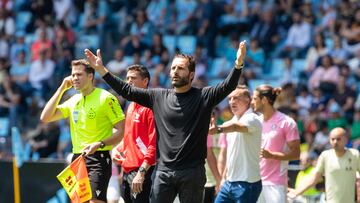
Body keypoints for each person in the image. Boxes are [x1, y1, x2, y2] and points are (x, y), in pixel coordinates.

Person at [84, 40, 246, 203]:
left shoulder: (203, 96)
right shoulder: (158, 96)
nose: (175, 71)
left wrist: (238, 65)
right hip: (163, 172)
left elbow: (228, 86)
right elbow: (126, 91)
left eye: (180, 68)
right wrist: (101, 70)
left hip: (192, 173)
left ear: (191, 75)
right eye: (173, 68)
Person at [40, 59, 125, 203]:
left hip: (99, 158)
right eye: (73, 75)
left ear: (90, 76)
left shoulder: (106, 98)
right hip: (77, 160)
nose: (74, 78)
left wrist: (100, 144)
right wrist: (61, 88)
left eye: (79, 74)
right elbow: (45, 117)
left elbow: (121, 131)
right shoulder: (73, 100)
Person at [208, 85, 262, 203]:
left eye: (236, 98)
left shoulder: (253, 118)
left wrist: (218, 129)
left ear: (248, 99)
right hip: (229, 183)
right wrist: (222, 179)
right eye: (230, 98)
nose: (232, 101)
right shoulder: (230, 122)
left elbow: (237, 127)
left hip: (248, 184)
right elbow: (230, 156)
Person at [112, 65, 156, 203]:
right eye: (127, 78)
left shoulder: (150, 108)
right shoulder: (131, 106)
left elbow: (153, 144)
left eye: (133, 78)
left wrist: (142, 173)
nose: (128, 81)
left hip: (142, 171)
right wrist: (117, 149)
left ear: (145, 81)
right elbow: (130, 137)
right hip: (127, 171)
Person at [251, 85, 300, 203]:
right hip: (254, 182)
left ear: (264, 100)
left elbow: (296, 154)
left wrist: (272, 155)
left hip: (276, 184)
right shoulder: (255, 122)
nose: (252, 102)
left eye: (255, 98)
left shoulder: (287, 122)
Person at [288, 127, 360, 203]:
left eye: (338, 139)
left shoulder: (355, 155)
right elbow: (314, 179)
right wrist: (296, 192)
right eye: (332, 139)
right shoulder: (325, 156)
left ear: (345, 140)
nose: (335, 142)